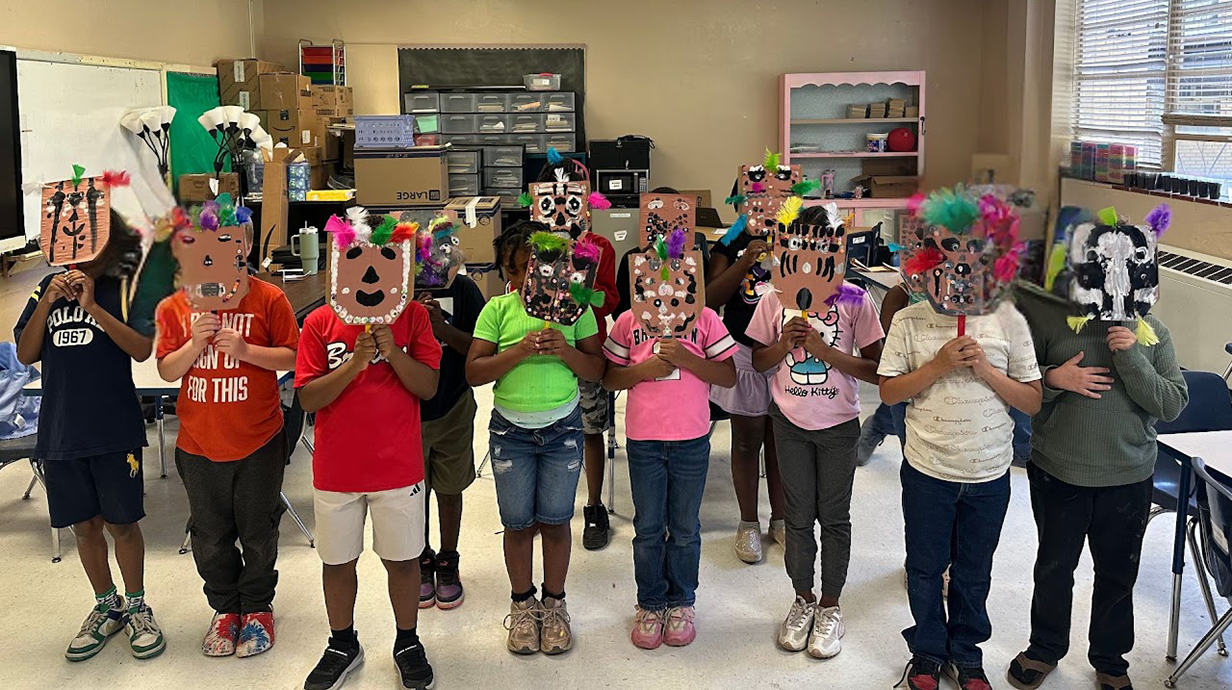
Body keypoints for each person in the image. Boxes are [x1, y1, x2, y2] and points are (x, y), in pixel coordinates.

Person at [1007, 280, 1187, 690]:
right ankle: (1044, 647)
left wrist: (1133, 356)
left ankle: (1110, 658)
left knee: (1117, 574)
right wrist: (1055, 379)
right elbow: (1020, 381)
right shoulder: (1054, 324)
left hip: (1127, 477)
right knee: (1054, 567)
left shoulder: (1154, 334)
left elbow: (1172, 404)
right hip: (1060, 470)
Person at [14, 211, 166, 662]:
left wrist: (92, 307)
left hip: (113, 428)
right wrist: (48, 301)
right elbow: (26, 353)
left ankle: (137, 604)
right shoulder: (47, 289)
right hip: (62, 431)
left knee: (122, 523)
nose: (79, 250)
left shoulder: (124, 288)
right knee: (85, 525)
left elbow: (142, 349)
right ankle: (106, 605)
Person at [155, 207, 299, 659]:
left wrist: (246, 350)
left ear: (246, 247)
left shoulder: (268, 298)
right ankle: (225, 608)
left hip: (258, 439)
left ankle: (257, 606)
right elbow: (165, 369)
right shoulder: (175, 306)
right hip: (198, 445)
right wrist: (194, 344)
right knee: (209, 534)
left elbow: (292, 358)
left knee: (258, 531)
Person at [879, 298, 1042, 690]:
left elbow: (1032, 400)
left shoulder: (1010, 320)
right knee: (925, 567)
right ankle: (928, 650)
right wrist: (937, 366)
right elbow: (888, 393)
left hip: (988, 473)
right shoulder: (909, 320)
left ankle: (967, 652)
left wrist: (984, 368)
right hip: (928, 471)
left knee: (973, 572)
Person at [747, 206, 885, 659]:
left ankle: (831, 604)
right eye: (799, 244)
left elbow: (876, 369)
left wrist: (825, 351)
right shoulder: (772, 299)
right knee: (797, 515)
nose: (809, 254)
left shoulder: (853, 299)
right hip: (788, 423)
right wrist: (783, 344)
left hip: (839, 425)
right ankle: (803, 597)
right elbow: (759, 363)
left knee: (835, 516)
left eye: (820, 245)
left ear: (834, 249)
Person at [466, 220, 606, 655]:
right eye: (521, 270)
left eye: (541, 267)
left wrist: (564, 350)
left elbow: (597, 370)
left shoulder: (576, 310)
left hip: (563, 429)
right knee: (518, 523)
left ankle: (556, 602)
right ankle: (523, 602)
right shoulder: (497, 310)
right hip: (511, 434)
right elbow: (474, 372)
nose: (532, 278)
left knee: (556, 519)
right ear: (508, 274)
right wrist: (518, 351)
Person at [295, 277, 442, 690]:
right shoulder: (321, 322)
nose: (370, 277)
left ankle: (407, 641)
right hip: (337, 469)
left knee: (403, 560)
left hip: (398, 467)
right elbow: (308, 398)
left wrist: (392, 351)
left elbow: (427, 386)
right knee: (337, 561)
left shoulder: (412, 317)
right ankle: (342, 643)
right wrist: (354, 363)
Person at [603, 244, 737, 649]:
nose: (663, 289)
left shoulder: (707, 319)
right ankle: (649, 601)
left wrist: (688, 359)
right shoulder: (628, 321)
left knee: (684, 527)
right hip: (644, 441)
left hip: (691, 440)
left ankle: (681, 600)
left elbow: (728, 377)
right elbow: (610, 378)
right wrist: (643, 370)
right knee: (646, 528)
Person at [528, 156, 621, 551]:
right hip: (539, 348)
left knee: (590, 428)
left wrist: (581, 296)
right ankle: (542, 504)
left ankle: (595, 503)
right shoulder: (531, 244)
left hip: (585, 347)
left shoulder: (599, 247)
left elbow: (613, 299)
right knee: (541, 428)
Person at [707, 193, 785, 564]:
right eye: (756, 199)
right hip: (741, 348)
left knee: (782, 440)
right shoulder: (729, 241)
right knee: (746, 439)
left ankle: (782, 519)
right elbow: (710, 297)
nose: (767, 207)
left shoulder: (795, 234)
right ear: (741, 202)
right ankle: (748, 521)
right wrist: (745, 260)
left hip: (789, 350)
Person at [416, 272, 486, 611]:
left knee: (449, 488)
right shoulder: (392, 286)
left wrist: (441, 329)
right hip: (406, 409)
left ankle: (447, 558)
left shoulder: (463, 288)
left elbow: (482, 347)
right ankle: (420, 558)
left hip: (454, 404)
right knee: (414, 493)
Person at [855, 282, 911, 464]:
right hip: (908, 374)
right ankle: (879, 424)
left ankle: (880, 422)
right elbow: (888, 359)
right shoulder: (900, 295)